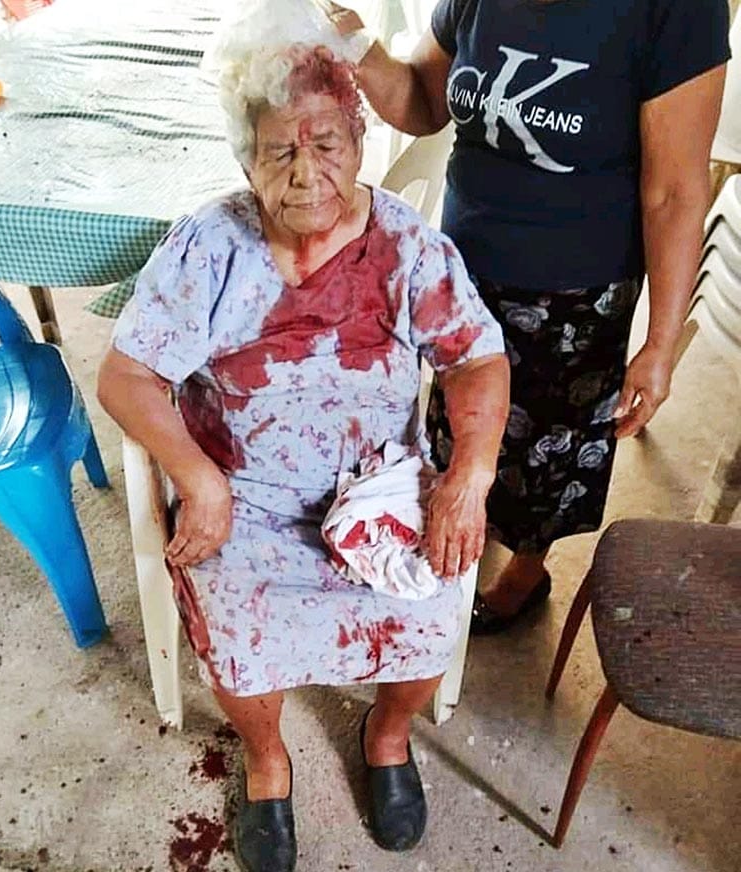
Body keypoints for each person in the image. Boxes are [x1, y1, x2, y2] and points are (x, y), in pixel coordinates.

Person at [97, 37, 508, 872]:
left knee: (432, 605)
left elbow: (475, 359)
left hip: (378, 491)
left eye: (326, 142)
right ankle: (267, 760)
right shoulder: (210, 245)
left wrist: (470, 475)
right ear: (245, 161)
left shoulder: (406, 247)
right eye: (278, 149)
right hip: (243, 497)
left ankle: (387, 735)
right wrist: (199, 481)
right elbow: (126, 376)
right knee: (236, 624)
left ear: (359, 141)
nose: (306, 171)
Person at [327, 0, 731, 633]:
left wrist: (660, 342)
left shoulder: (675, 11)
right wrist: (358, 47)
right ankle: (465, 533)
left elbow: (675, 192)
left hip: (573, 294)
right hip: (460, 278)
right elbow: (423, 103)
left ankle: (525, 572)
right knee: (459, 431)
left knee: (544, 459)